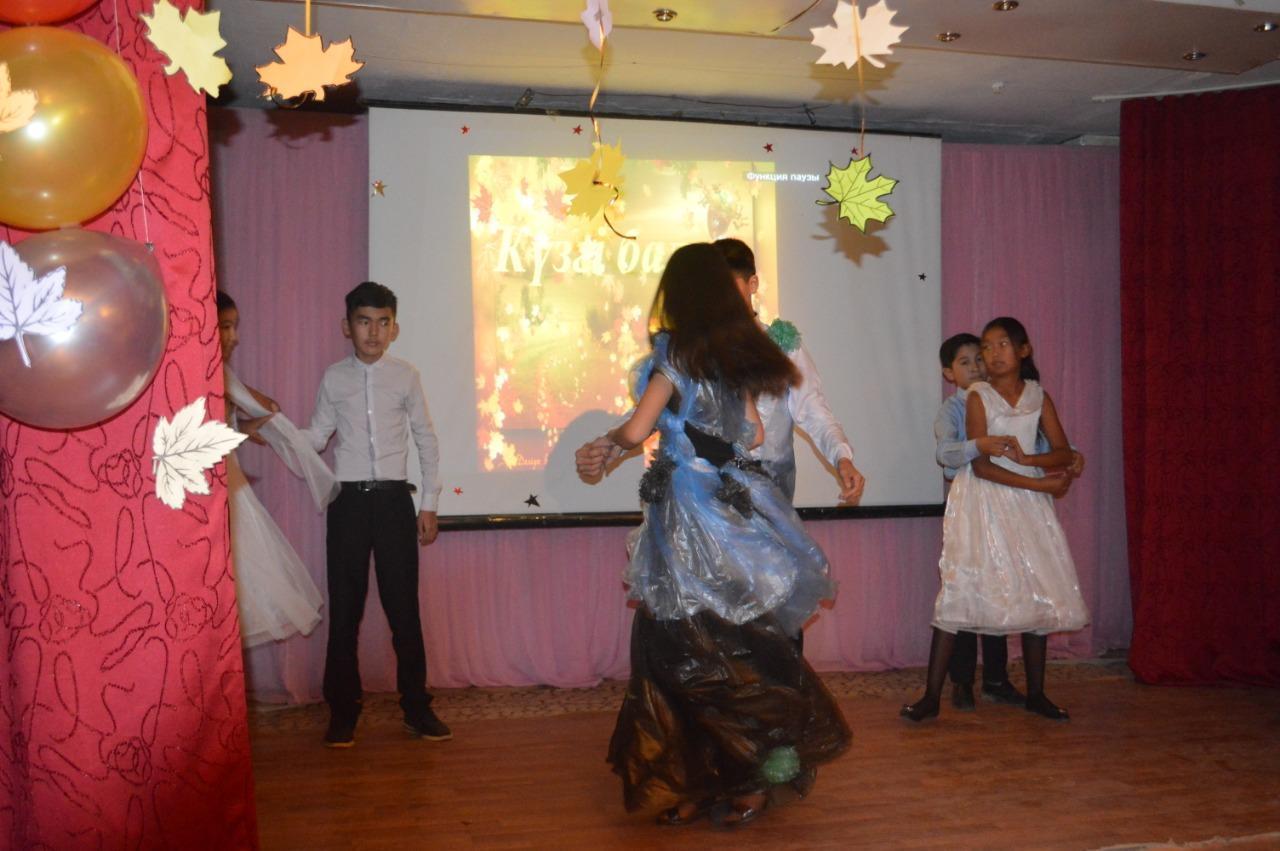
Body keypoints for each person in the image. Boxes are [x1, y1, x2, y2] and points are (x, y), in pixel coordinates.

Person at [586, 244, 851, 828]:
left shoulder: (675, 355)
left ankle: (706, 781)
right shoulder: (734, 356)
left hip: (686, 515)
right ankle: (730, 780)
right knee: (730, 646)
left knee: (683, 651)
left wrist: (618, 443)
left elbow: (637, 427)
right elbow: (752, 434)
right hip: (727, 509)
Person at [575, 239, 865, 507]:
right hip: (705, 494)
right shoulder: (694, 352)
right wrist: (610, 442)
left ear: (753, 284)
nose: (721, 300)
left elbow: (811, 411)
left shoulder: (780, 347)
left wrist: (842, 457)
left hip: (768, 491)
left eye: (727, 290)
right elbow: (660, 410)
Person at [902, 317, 1089, 722]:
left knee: (1035, 587)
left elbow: (1060, 450)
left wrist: (1033, 461)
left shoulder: (1038, 396)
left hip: (1027, 505)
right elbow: (982, 466)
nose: (992, 354)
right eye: (987, 347)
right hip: (983, 502)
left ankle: (1035, 693)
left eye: (1001, 344)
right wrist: (1040, 483)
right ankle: (933, 696)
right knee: (961, 588)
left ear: (1023, 350)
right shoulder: (977, 396)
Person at [304, 281, 449, 748]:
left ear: (395, 329)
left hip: (392, 503)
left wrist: (429, 503)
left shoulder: (405, 376)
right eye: (364, 321)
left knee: (403, 610)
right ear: (346, 327)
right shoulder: (333, 379)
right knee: (345, 610)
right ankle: (343, 712)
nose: (373, 332)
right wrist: (280, 433)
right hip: (347, 503)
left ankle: (416, 708)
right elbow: (317, 435)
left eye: (383, 322)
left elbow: (426, 439)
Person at [216, 291, 329, 647]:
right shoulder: (203, 375)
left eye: (234, 327)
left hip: (231, 488)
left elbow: (267, 408)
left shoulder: (221, 376)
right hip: (213, 493)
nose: (234, 337)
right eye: (225, 327)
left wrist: (246, 425)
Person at [932, 332, 1026, 710]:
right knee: (966, 595)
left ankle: (996, 679)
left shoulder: (1001, 402)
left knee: (998, 592)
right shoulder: (951, 410)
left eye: (979, 358)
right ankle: (962, 681)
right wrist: (979, 446)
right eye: (964, 362)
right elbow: (946, 454)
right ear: (949, 373)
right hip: (967, 511)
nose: (975, 367)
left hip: (1002, 508)